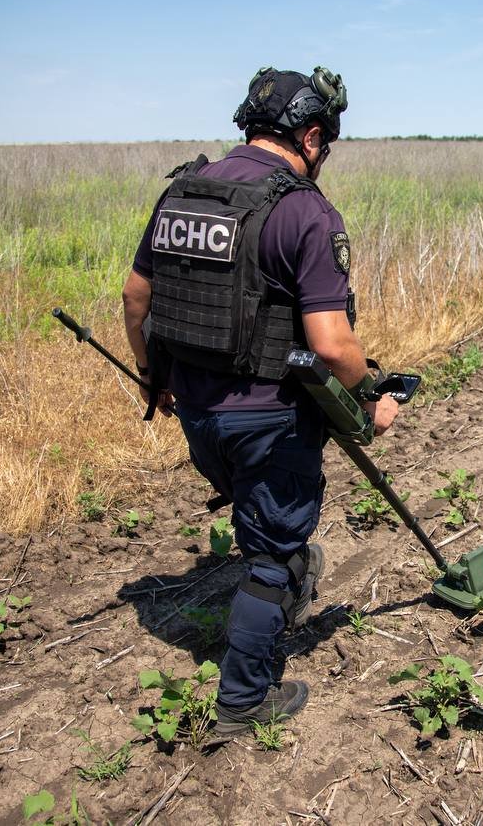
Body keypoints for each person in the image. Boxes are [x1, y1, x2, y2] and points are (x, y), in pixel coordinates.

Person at [121, 66, 398, 738]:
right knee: (271, 552)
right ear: (309, 136)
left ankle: (288, 573)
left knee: (265, 523)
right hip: (269, 423)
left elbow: (136, 298)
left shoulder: (184, 191)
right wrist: (373, 396)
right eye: (324, 145)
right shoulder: (305, 210)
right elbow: (331, 345)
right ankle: (244, 699)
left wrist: (152, 375)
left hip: (195, 412)